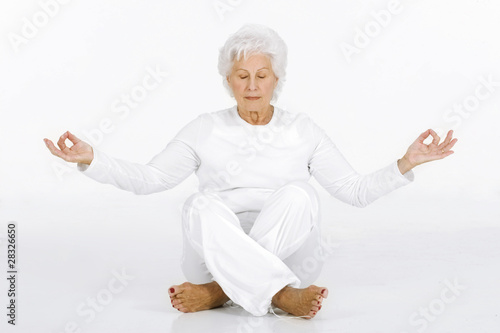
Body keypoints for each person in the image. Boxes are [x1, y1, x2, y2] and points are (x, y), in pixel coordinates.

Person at [43, 24, 457, 319]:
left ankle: (221, 291)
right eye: (242, 76)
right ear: (229, 81)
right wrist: (91, 158)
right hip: (214, 255)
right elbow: (151, 179)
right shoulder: (205, 127)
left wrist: (407, 163)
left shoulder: (302, 129)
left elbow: (354, 190)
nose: (253, 85)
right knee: (199, 203)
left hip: (289, 253)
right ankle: (278, 295)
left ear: (277, 79)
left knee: (301, 194)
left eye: (262, 75)